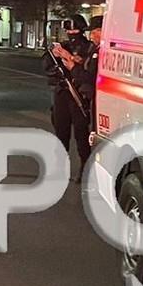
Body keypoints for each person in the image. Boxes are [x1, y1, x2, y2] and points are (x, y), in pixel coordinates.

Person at [45, 15, 93, 177]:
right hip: (62, 94)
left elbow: (89, 70)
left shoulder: (89, 48)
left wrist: (72, 59)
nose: (71, 33)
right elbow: (48, 67)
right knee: (61, 132)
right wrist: (55, 57)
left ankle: (85, 169)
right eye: (69, 30)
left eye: (75, 29)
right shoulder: (62, 46)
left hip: (79, 95)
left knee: (81, 134)